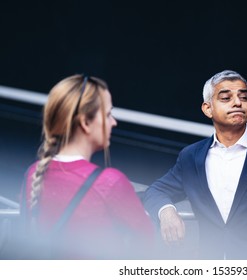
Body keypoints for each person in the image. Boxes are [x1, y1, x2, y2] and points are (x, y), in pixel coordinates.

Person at [143, 70, 247, 259]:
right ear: (207, 108)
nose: (237, 102)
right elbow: (156, 190)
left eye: (243, 97)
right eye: (226, 98)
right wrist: (166, 212)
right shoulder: (191, 157)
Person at [22, 74, 154, 259]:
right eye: (108, 114)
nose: (114, 122)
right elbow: (147, 247)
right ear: (85, 122)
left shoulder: (33, 174)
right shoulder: (110, 182)